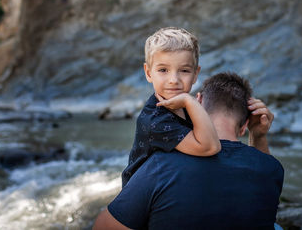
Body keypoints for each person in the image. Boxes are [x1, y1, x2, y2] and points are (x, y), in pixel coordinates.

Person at [94, 72, 284, 230]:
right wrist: (258, 136)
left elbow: (102, 227)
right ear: (244, 127)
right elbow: (263, 184)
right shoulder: (272, 168)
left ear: (198, 103)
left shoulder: (162, 164)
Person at [121, 27, 221, 186]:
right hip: (144, 200)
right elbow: (210, 147)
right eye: (163, 70)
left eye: (184, 70)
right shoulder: (156, 120)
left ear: (196, 74)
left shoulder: (183, 106)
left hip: (171, 184)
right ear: (148, 73)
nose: (174, 80)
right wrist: (191, 102)